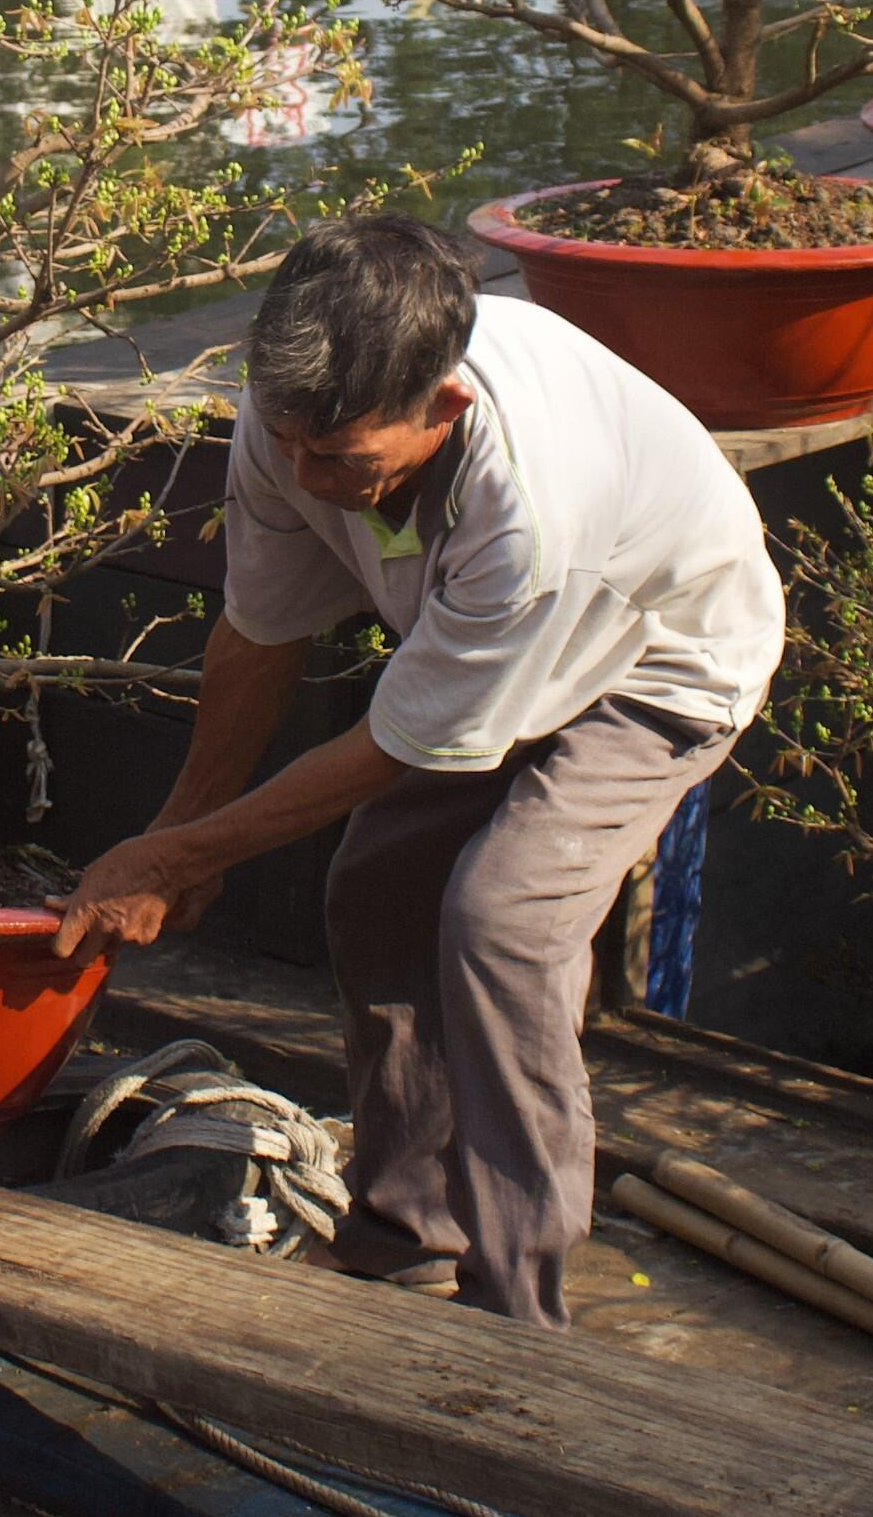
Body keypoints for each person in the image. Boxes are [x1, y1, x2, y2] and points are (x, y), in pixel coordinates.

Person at [50, 219, 781, 1327]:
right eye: (287, 443)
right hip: (483, 652)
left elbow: (400, 742)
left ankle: (516, 1305)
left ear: (446, 409)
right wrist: (178, 832)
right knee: (377, 888)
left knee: (504, 922)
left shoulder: (529, 510)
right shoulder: (292, 427)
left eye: (339, 459)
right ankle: (400, 1239)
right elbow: (258, 631)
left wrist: (180, 854)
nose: (303, 476)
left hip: (658, 659)